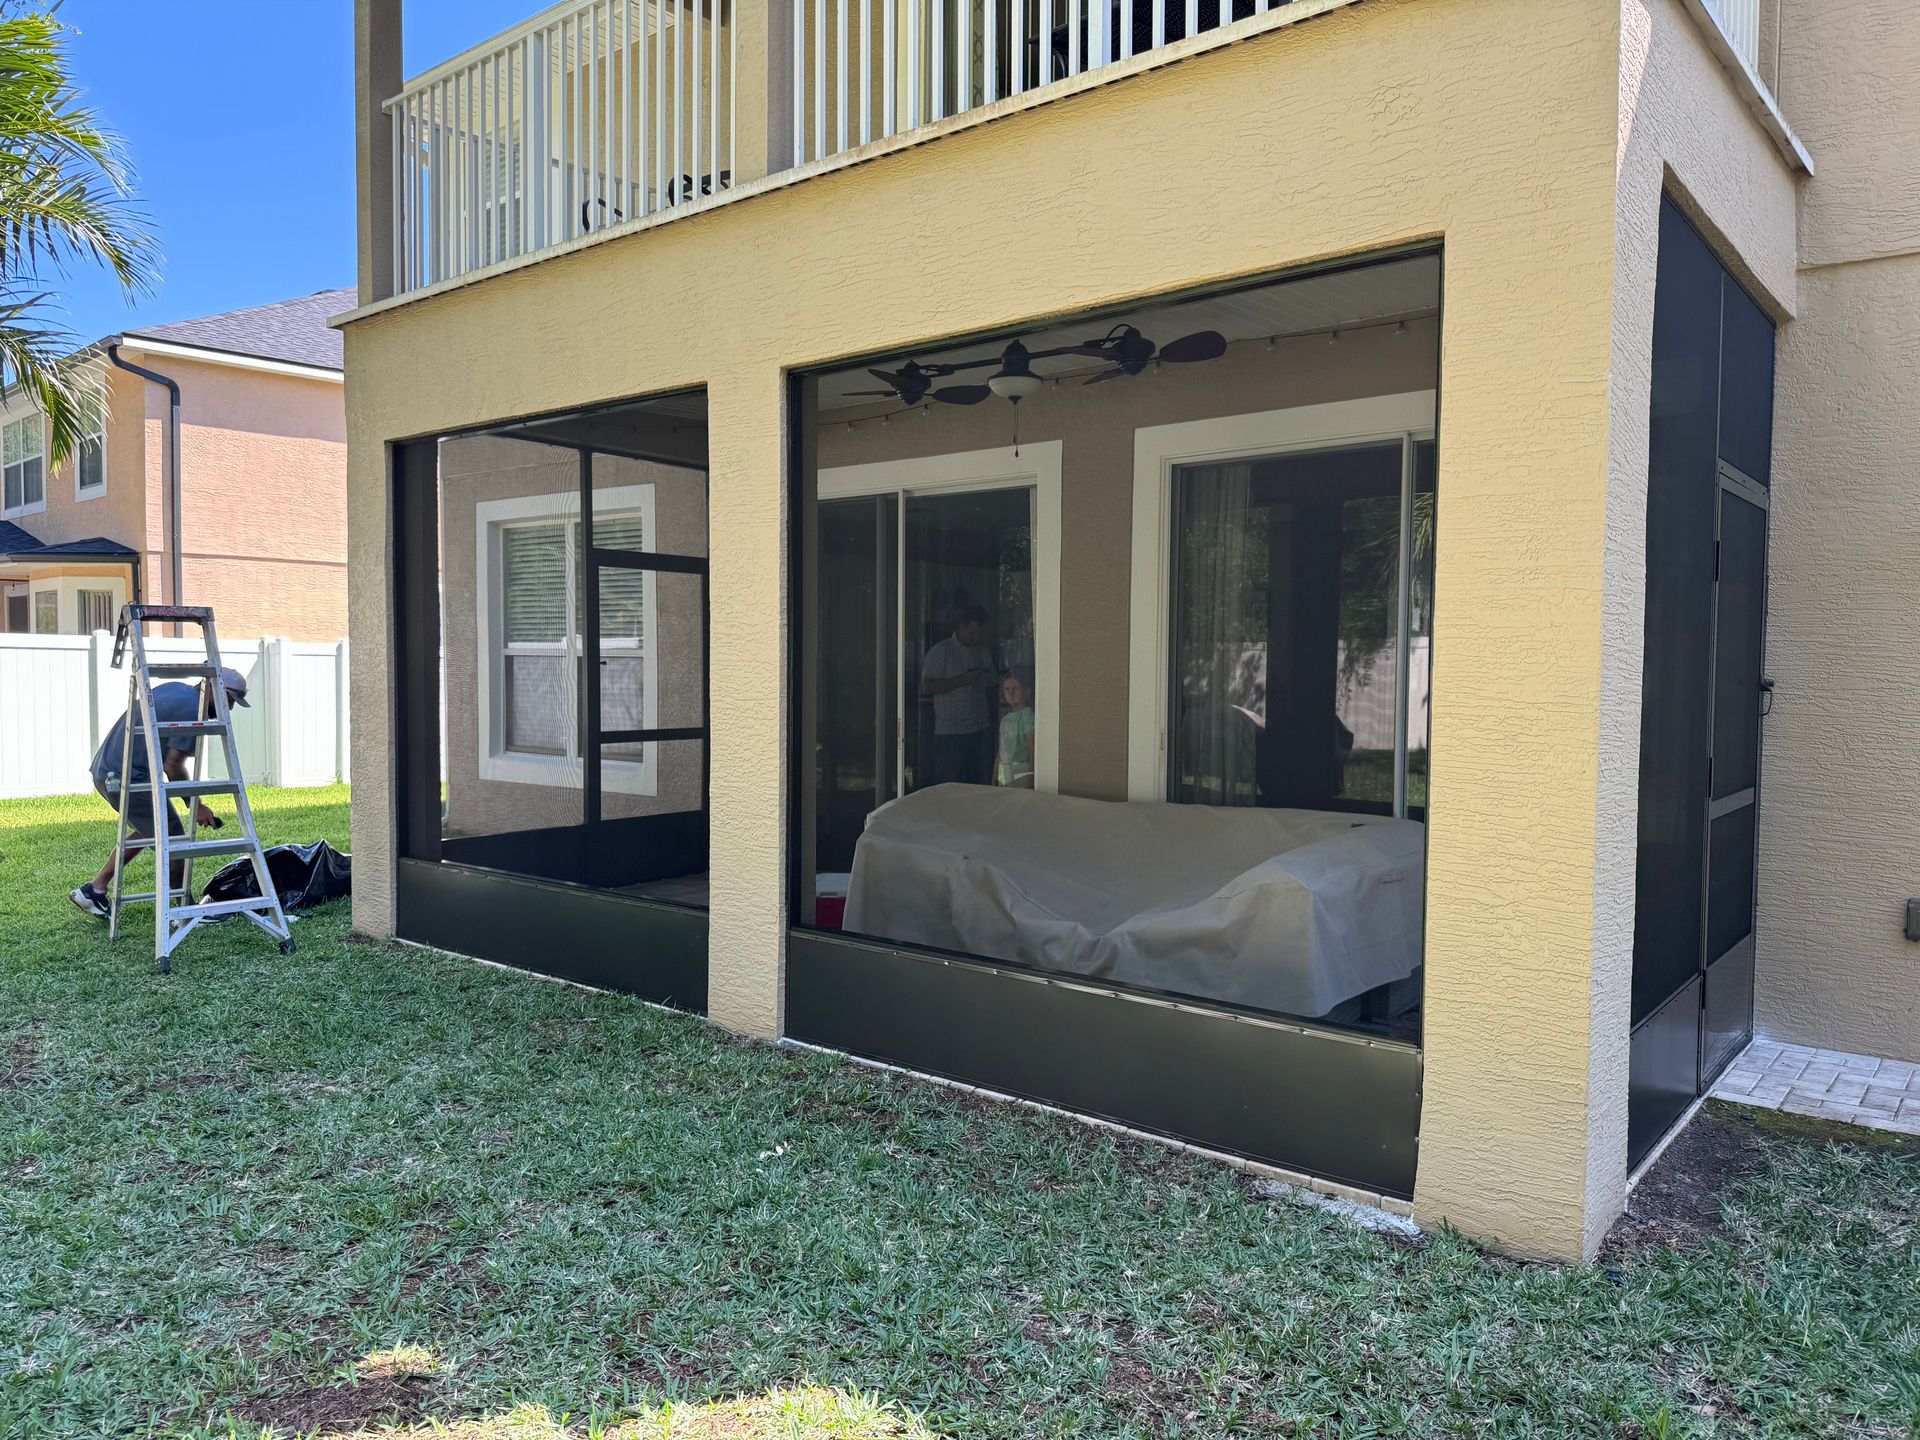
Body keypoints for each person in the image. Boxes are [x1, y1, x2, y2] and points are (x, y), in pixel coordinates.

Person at [69, 667, 251, 918]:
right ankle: (184, 911)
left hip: (108, 770)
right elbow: (173, 765)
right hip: (127, 776)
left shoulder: (180, 691)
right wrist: (195, 805)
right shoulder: (191, 710)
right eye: (229, 700)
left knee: (150, 829)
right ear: (214, 689)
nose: (228, 709)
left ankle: (94, 890)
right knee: (175, 842)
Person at [919, 604, 997, 787]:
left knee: (979, 784)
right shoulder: (941, 652)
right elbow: (927, 687)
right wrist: (962, 680)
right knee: (948, 785)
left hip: (980, 728)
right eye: (971, 634)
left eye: (979, 634)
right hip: (950, 733)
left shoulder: (983, 653)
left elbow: (992, 687)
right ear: (960, 627)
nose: (975, 638)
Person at [995, 668, 1037, 789]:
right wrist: (994, 778)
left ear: (1026, 690)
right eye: (1007, 689)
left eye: (1016, 689)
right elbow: (1001, 752)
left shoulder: (1027, 715)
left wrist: (1032, 778)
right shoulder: (1005, 719)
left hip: (1022, 772)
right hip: (1005, 773)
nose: (1011, 693)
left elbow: (1032, 749)